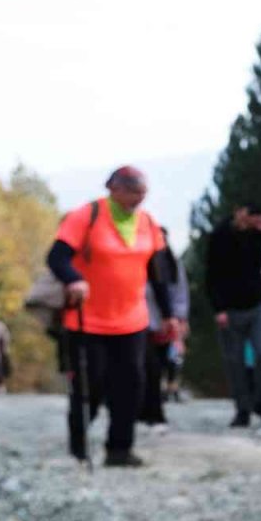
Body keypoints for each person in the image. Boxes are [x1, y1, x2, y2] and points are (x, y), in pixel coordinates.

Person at [46, 165, 178, 468]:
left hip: (132, 320)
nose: (138, 200)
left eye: (142, 194)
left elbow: (157, 273)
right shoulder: (86, 216)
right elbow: (56, 257)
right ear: (114, 188)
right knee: (89, 386)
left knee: (130, 386)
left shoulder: (147, 223)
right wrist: (73, 279)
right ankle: (79, 448)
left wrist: (169, 314)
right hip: (87, 320)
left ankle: (119, 449)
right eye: (133, 193)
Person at [205, 203, 261, 427]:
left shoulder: (259, 235)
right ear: (237, 211)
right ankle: (242, 409)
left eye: (255, 216)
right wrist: (219, 308)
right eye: (248, 214)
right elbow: (211, 275)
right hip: (230, 309)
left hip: (257, 305)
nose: (249, 219)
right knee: (235, 362)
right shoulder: (220, 234)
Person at [140, 227, 189, 433]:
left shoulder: (172, 263)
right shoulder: (137, 260)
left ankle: (155, 412)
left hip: (163, 323)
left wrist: (179, 318)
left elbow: (180, 291)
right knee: (142, 368)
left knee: (157, 368)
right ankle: (142, 409)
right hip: (137, 321)